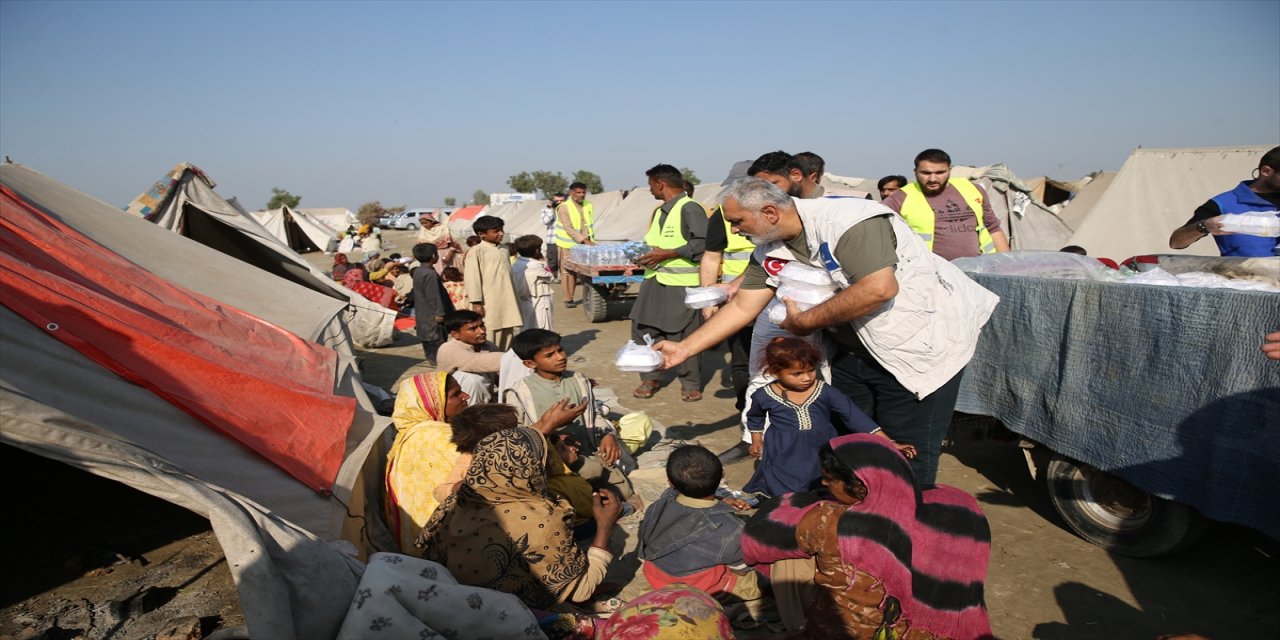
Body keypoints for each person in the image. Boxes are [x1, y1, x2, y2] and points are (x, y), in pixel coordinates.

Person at [654, 178, 999, 485]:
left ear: (770, 213)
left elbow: (878, 288)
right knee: (850, 447)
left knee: (904, 456)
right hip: (854, 351)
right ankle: (856, 528)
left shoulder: (849, 221)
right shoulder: (769, 249)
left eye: (738, 222)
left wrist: (805, 322)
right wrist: (685, 349)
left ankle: (902, 538)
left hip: (917, 349)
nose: (735, 231)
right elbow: (744, 306)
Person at [741, 434, 994, 639]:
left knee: (789, 557)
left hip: (858, 631)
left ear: (861, 486)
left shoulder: (833, 521)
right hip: (930, 631)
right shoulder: (957, 505)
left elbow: (757, 542)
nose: (824, 485)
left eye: (829, 479)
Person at [417, 427, 623, 609]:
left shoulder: (455, 501)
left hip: (446, 604)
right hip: (505, 617)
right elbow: (582, 592)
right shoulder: (541, 519)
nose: (550, 461)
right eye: (545, 456)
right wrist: (605, 526)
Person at [743, 338, 912, 499]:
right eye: (797, 373)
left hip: (820, 449)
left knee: (820, 485)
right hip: (783, 452)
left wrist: (889, 442)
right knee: (784, 490)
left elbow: (855, 416)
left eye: (811, 370)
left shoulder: (825, 392)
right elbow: (755, 417)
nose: (807, 377)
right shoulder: (763, 396)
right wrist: (757, 440)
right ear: (775, 372)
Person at [637, 445, 768, 625]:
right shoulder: (729, 530)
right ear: (722, 475)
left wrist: (721, 501)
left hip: (655, 576)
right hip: (695, 588)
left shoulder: (660, 503)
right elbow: (743, 569)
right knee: (769, 576)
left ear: (670, 482)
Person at [504, 329, 635, 501]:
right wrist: (555, 438)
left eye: (560, 350)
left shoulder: (578, 379)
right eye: (549, 355)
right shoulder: (519, 392)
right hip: (553, 459)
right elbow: (519, 434)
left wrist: (606, 435)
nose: (560, 357)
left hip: (587, 452)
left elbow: (594, 414)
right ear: (530, 364)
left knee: (623, 492)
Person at [631, 163, 708, 402]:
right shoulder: (660, 211)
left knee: (685, 332)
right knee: (643, 329)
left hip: (680, 284)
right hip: (654, 280)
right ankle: (650, 377)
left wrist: (669, 253)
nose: (650, 190)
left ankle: (690, 383)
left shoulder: (690, 208)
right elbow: (656, 243)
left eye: (650, 185)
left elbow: (703, 243)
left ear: (660, 183)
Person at [384, 372, 471, 551]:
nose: (466, 396)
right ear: (433, 403)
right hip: (444, 541)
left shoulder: (409, 432)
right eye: (456, 395)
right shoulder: (437, 435)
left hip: (415, 540)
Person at [882, 148, 1011, 261]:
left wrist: (1007, 263)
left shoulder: (972, 189)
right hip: (931, 273)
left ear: (949, 170)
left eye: (940, 173)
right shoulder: (900, 198)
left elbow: (992, 227)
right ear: (915, 171)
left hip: (980, 269)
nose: (933, 179)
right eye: (926, 173)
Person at [1169, 146, 1280, 256]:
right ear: (1266, 171)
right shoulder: (1223, 204)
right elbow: (1176, 242)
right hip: (1244, 273)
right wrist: (1204, 226)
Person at [464, 215, 522, 351]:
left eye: (501, 230)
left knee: (508, 330)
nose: (501, 233)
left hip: (508, 300)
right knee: (491, 333)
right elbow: (472, 278)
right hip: (489, 301)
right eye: (496, 231)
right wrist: (476, 302)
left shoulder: (504, 249)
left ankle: (503, 362)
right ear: (482, 234)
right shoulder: (476, 251)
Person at [436, 309, 504, 403]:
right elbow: (474, 362)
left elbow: (500, 377)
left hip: (486, 400)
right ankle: (469, 416)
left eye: (482, 326)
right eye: (473, 329)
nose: (481, 331)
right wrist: (513, 357)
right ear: (455, 334)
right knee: (472, 380)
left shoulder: (489, 346)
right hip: (453, 403)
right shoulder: (448, 349)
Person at [410, 244, 454, 363]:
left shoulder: (418, 271)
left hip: (423, 313)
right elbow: (434, 295)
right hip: (433, 315)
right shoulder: (430, 274)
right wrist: (440, 313)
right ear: (434, 256)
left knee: (428, 340)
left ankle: (432, 359)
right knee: (437, 340)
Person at [556, 182, 596, 308]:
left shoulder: (588, 205)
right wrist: (584, 240)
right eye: (578, 192)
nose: (581, 195)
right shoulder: (564, 207)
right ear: (571, 193)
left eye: (583, 192)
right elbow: (568, 228)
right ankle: (569, 298)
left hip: (584, 244)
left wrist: (589, 240)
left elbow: (587, 225)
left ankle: (591, 295)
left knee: (586, 270)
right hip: (567, 245)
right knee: (568, 272)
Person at [511, 234, 555, 331]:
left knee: (526, 327)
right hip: (539, 300)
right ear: (537, 251)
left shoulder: (516, 264)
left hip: (522, 301)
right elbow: (550, 277)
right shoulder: (536, 265)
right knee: (542, 327)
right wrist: (544, 262)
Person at [540, 193, 566, 277]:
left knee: (565, 261)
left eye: (561, 200)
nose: (559, 202)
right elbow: (545, 221)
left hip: (565, 240)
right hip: (552, 240)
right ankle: (553, 276)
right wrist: (551, 209)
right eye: (556, 201)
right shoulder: (546, 210)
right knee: (553, 261)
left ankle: (565, 276)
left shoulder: (568, 209)